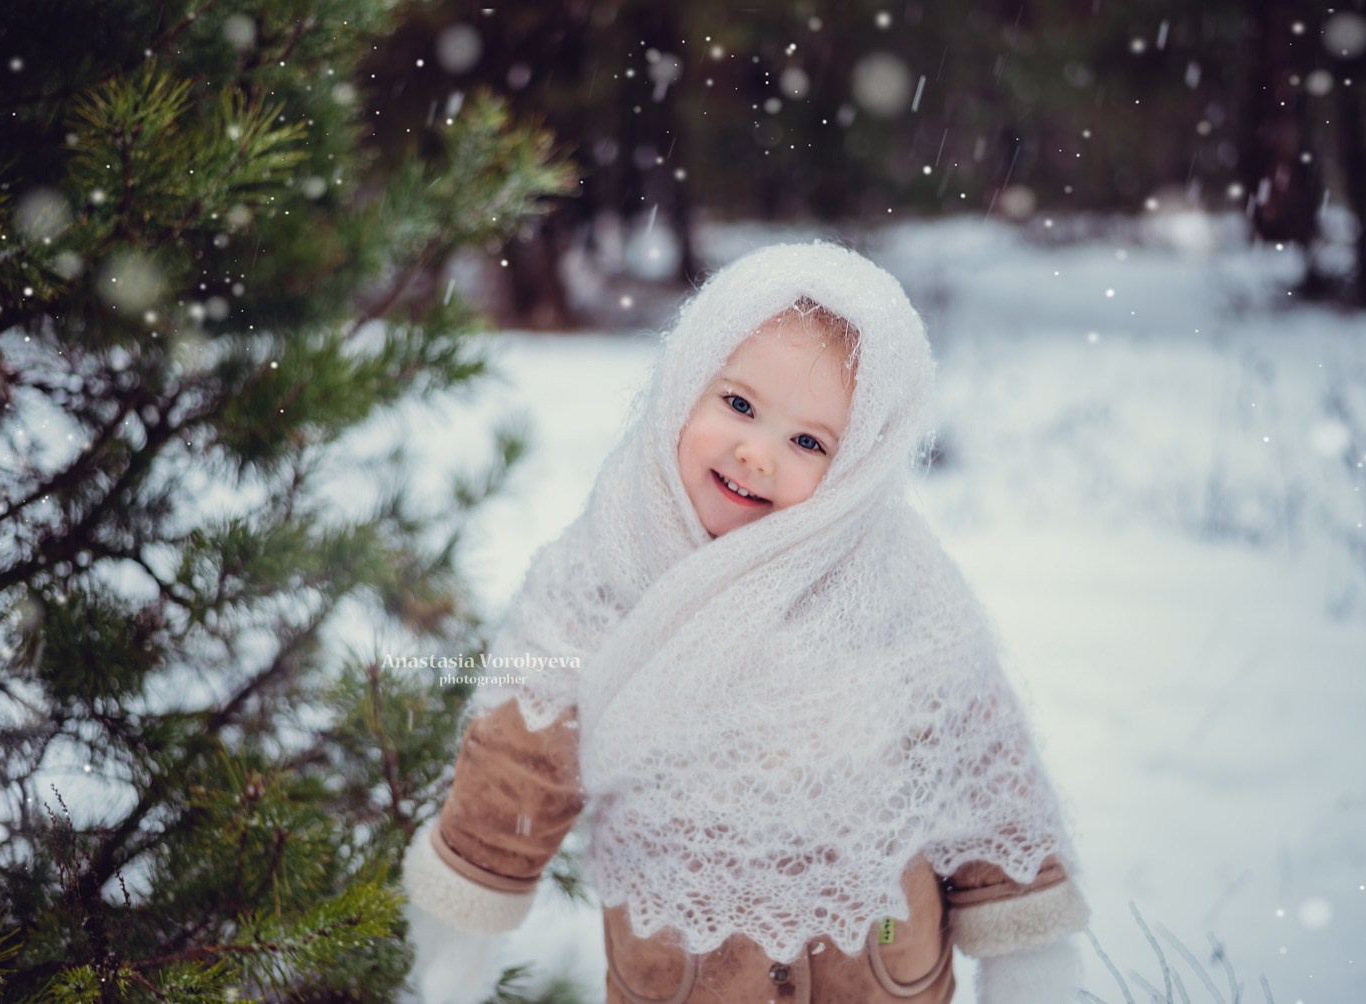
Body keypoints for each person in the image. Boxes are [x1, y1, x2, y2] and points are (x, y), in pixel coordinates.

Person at [401, 241, 1091, 1004]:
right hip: (689, 972)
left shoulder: (899, 587)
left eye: (808, 442)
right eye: (737, 404)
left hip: (878, 959)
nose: (755, 454)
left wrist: (1027, 952)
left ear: (860, 464)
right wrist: (467, 922)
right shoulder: (603, 569)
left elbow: (987, 767)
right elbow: (520, 758)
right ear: (687, 382)